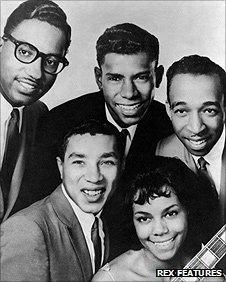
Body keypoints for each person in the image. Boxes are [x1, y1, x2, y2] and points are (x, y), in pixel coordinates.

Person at [34, 22, 173, 258]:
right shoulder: (57, 124)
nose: (129, 93)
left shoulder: (172, 128)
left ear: (157, 76)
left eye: (140, 77)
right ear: (99, 78)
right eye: (116, 78)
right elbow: (40, 214)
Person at [0, 120, 123, 281]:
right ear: (61, 167)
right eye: (79, 162)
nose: (94, 177)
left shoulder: (100, 219)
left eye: (107, 162)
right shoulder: (26, 229)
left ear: (121, 166)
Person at [92, 157, 225, 282]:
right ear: (131, 221)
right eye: (144, 219)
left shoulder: (208, 272)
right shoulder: (110, 279)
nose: (159, 230)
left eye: (170, 213)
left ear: (188, 210)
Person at [0, 0, 71, 222]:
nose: (36, 73)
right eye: (25, 51)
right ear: (2, 45)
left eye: (50, 61)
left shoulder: (37, 114)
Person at [156, 55, 225, 227]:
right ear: (168, 110)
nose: (196, 128)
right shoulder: (164, 152)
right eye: (181, 111)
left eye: (209, 110)